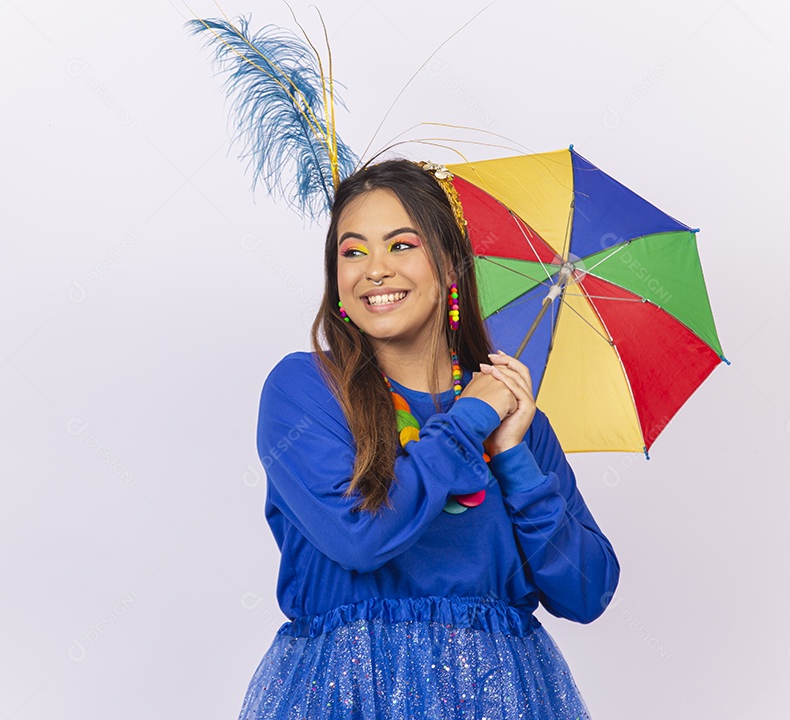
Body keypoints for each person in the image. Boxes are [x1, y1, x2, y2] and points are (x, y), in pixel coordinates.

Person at [240, 158, 620, 720]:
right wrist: (467, 421)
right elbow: (359, 538)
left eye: (401, 246)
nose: (374, 270)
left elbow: (587, 591)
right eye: (352, 252)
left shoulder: (516, 423)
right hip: (347, 698)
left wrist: (513, 456)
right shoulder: (306, 390)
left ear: (449, 264)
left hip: (499, 701)